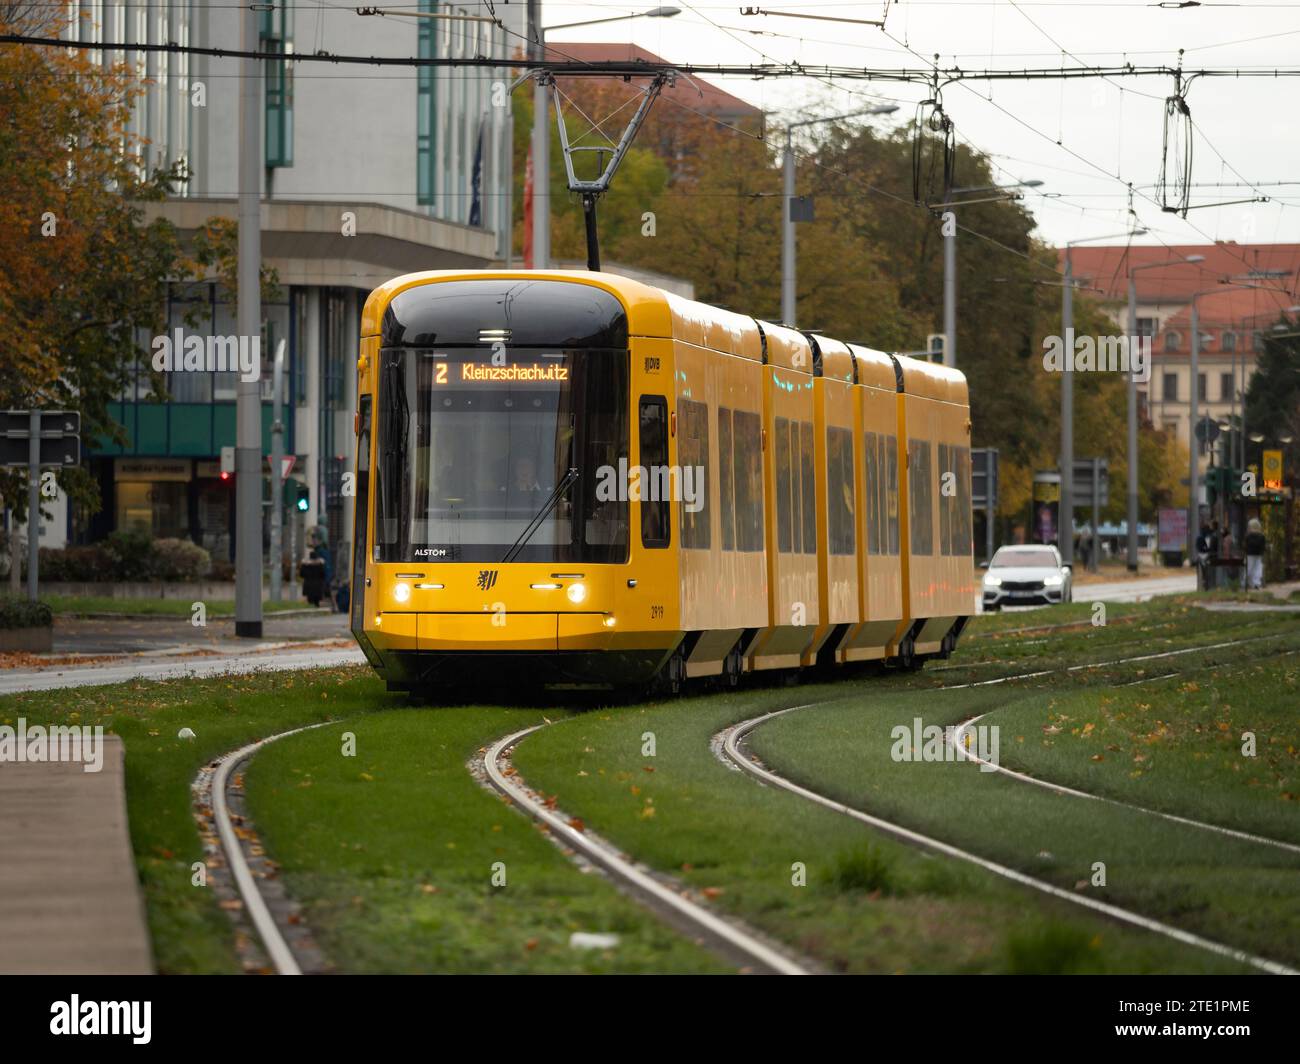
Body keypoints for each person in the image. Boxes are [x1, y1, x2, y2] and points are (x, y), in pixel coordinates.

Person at [1244, 517, 1267, 590]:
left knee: (1249, 568)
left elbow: (1245, 545)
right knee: (1258, 568)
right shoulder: (1262, 536)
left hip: (1250, 554)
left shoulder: (1248, 536)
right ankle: (1256, 583)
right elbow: (1263, 546)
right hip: (1259, 554)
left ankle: (1245, 582)